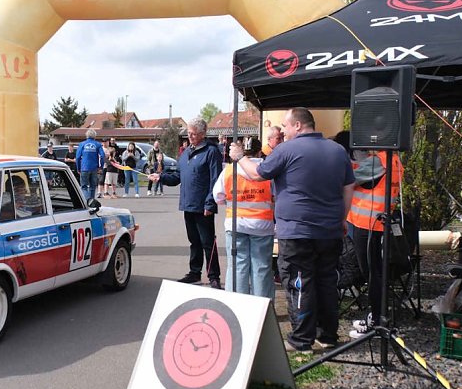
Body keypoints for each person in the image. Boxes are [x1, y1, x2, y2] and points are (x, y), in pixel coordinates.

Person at [231, 108, 355, 352]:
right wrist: (342, 218)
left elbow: (257, 174)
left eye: (285, 127)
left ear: (298, 125)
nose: (283, 132)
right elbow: (349, 186)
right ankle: (328, 336)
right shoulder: (337, 150)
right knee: (327, 282)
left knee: (299, 283)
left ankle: (301, 340)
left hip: (297, 231)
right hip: (329, 230)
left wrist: (239, 156)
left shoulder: (286, 150)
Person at [149, 117, 223, 289]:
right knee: (194, 241)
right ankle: (194, 273)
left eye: (193, 134)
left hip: (203, 206)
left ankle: (214, 276)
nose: (190, 136)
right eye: (189, 133)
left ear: (203, 134)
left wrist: (210, 204)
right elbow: (177, 177)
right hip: (188, 204)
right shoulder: (186, 153)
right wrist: (160, 177)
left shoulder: (211, 152)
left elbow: (216, 180)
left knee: (208, 242)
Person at [346, 146, 404, 339]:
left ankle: (377, 322)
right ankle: (376, 316)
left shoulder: (379, 161)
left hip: (367, 224)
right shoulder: (394, 160)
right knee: (375, 272)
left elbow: (349, 179)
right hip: (377, 223)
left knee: (371, 274)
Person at [213, 136, 275, 298]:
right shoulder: (267, 171)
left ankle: (236, 305)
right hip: (262, 225)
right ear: (259, 152)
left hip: (236, 224)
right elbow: (276, 195)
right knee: (261, 267)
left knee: (237, 267)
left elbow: (218, 196)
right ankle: (262, 306)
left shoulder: (229, 170)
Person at [75, 129, 106, 201]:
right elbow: (102, 156)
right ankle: (91, 202)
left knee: (84, 187)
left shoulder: (82, 144)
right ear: (95, 136)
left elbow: (78, 157)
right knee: (93, 187)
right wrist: (100, 167)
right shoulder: (98, 144)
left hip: (84, 167)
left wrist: (78, 168)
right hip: (94, 168)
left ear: (86, 135)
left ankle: (87, 201)